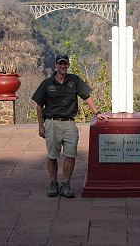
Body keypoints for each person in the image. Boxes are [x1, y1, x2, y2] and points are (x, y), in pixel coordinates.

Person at [32, 54, 108, 198]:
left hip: (69, 123)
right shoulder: (47, 84)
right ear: (56, 65)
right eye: (60, 64)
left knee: (71, 155)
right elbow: (39, 105)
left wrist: (97, 112)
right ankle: (53, 183)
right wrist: (41, 126)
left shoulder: (74, 80)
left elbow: (87, 96)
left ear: (68, 65)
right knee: (52, 155)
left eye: (65, 64)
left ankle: (66, 184)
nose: (63, 66)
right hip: (52, 123)